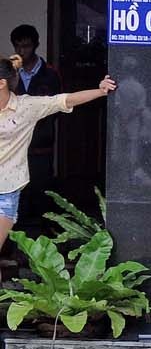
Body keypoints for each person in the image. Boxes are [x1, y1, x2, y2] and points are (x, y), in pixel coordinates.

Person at [0, 55, 114, 253]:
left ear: (2, 83)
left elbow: (63, 100)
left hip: (6, 191)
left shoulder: (26, 106)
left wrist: (101, 91)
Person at [10, 24, 63, 226]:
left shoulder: (50, 74)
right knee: (17, 199)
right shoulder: (10, 73)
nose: (22, 51)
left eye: (27, 46)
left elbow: (57, 108)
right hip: (15, 147)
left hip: (41, 147)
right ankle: (17, 250)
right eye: (18, 47)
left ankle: (44, 247)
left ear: (36, 45)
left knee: (42, 198)